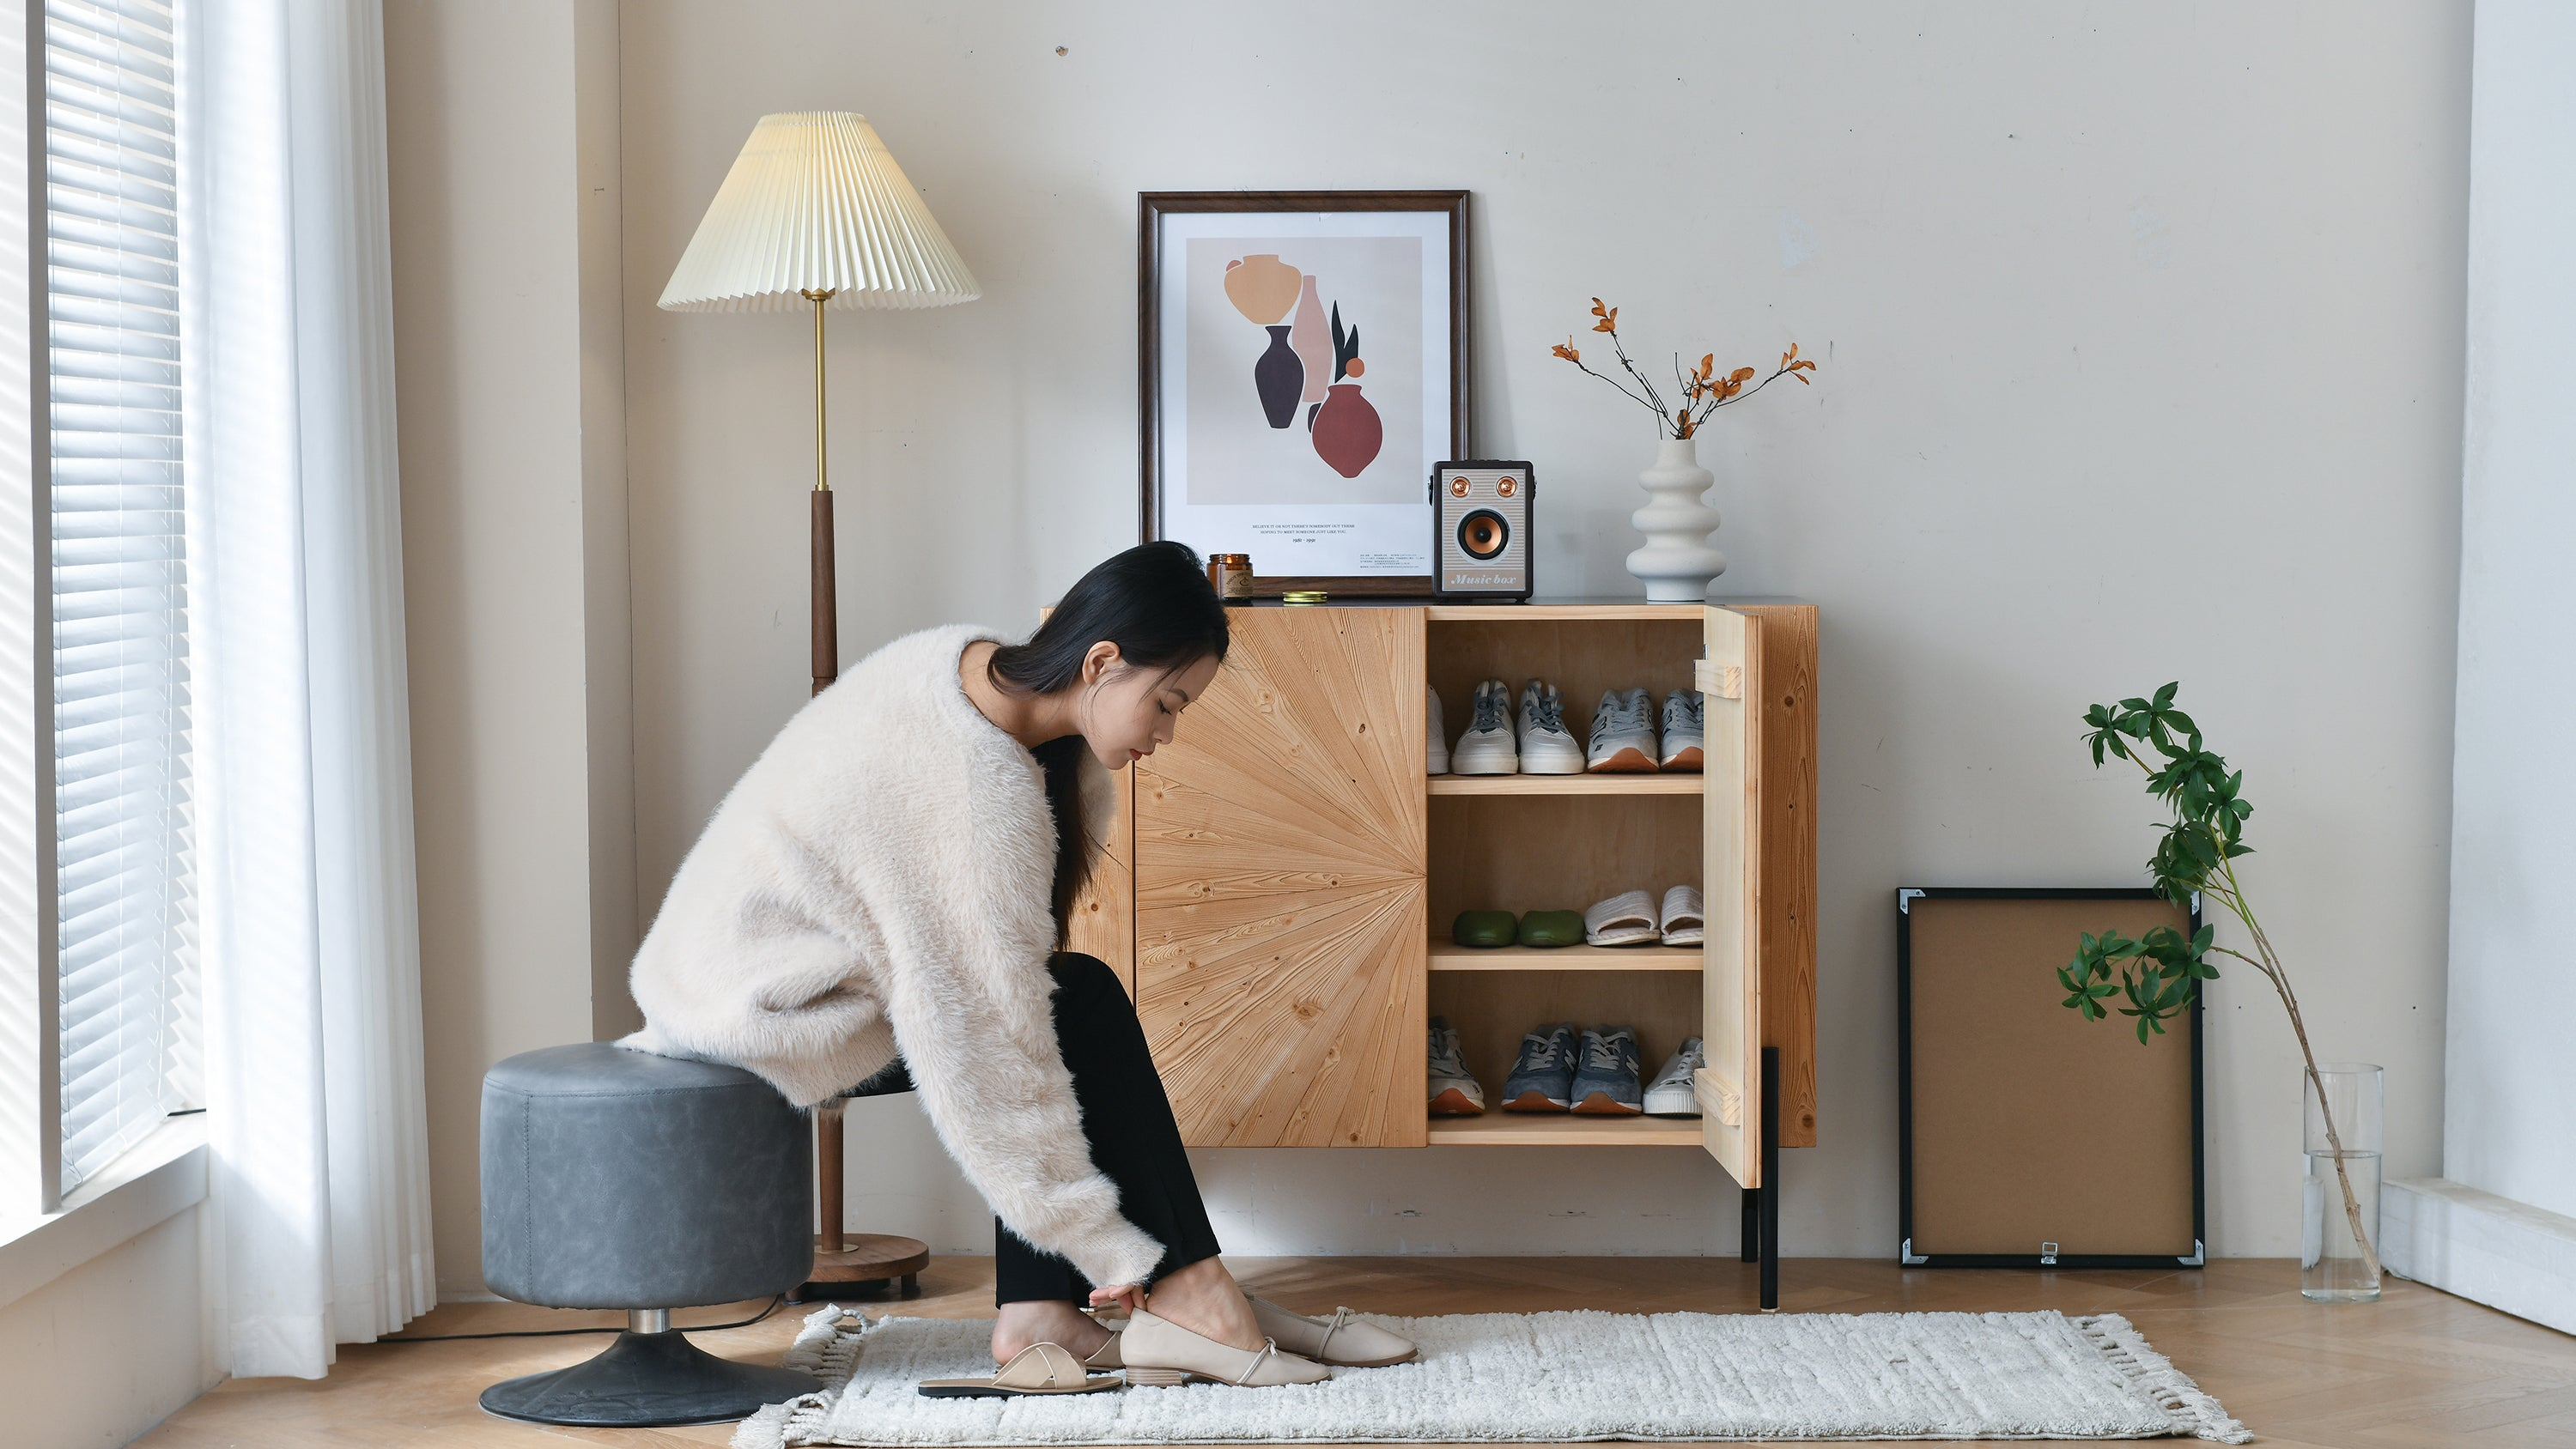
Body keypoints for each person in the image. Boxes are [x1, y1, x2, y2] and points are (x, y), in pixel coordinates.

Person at [625, 541, 1410, 1387]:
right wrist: (1100, 1240)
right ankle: (1196, 1294)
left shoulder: (968, 669)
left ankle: (1091, 1308)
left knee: (1070, 994)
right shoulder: (970, 787)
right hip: (759, 1010)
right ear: (1104, 661)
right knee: (1075, 1005)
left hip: (756, 972)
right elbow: (990, 1052)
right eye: (1168, 702)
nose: (1168, 733)